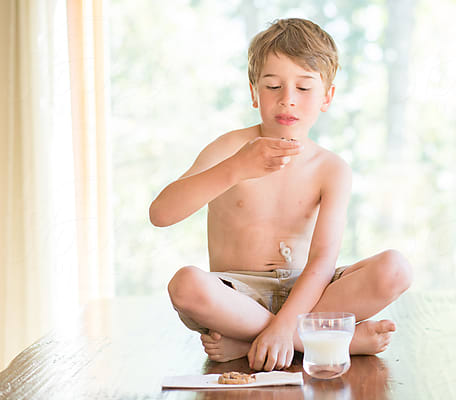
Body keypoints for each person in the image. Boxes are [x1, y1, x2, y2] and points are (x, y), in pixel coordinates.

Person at [149, 18, 413, 372]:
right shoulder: (229, 149)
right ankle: (327, 341)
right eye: (273, 86)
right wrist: (236, 168)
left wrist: (286, 321)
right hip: (236, 296)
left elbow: (322, 261)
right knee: (185, 285)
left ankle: (255, 340)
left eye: (304, 89)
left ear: (327, 96)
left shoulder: (331, 168)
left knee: (396, 268)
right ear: (254, 92)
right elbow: (161, 214)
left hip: (309, 293)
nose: (287, 101)